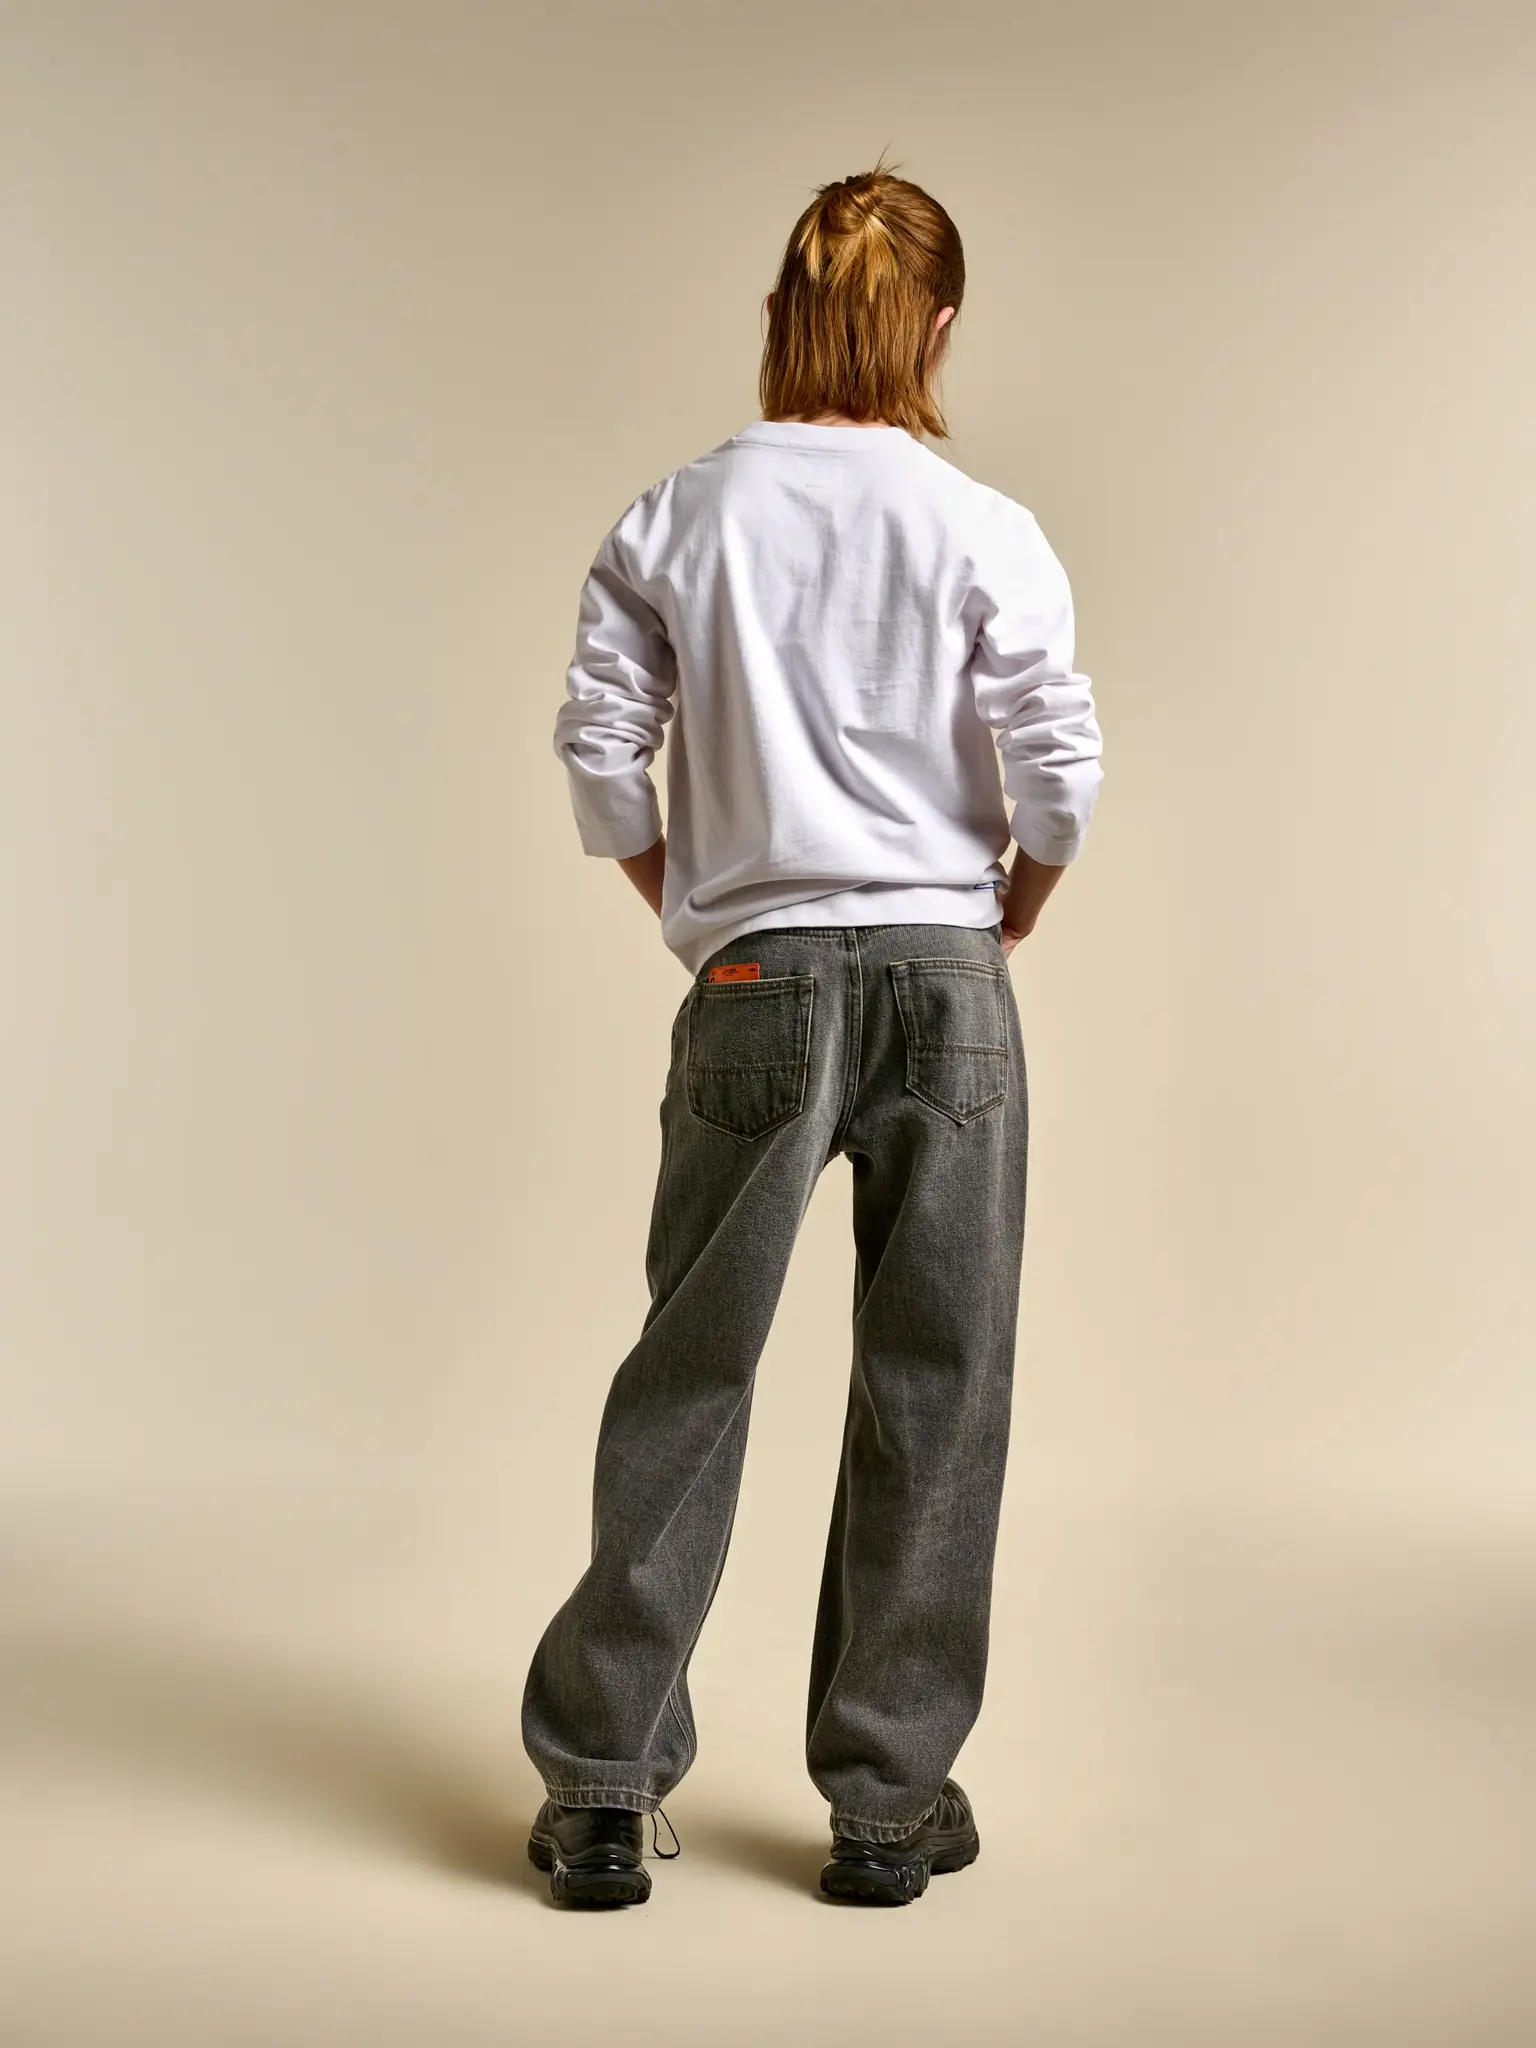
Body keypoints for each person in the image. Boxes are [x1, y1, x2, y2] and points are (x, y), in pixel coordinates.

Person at [521, 154, 1104, 1908]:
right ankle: (886, 1805)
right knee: (938, 1385)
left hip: (754, 983)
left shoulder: (679, 514)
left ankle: (602, 1788)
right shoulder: (983, 523)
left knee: (690, 1371)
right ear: (938, 325)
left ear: (780, 314)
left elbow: (598, 749)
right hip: (948, 978)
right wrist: (1012, 904)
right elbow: (1059, 768)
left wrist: (697, 916)